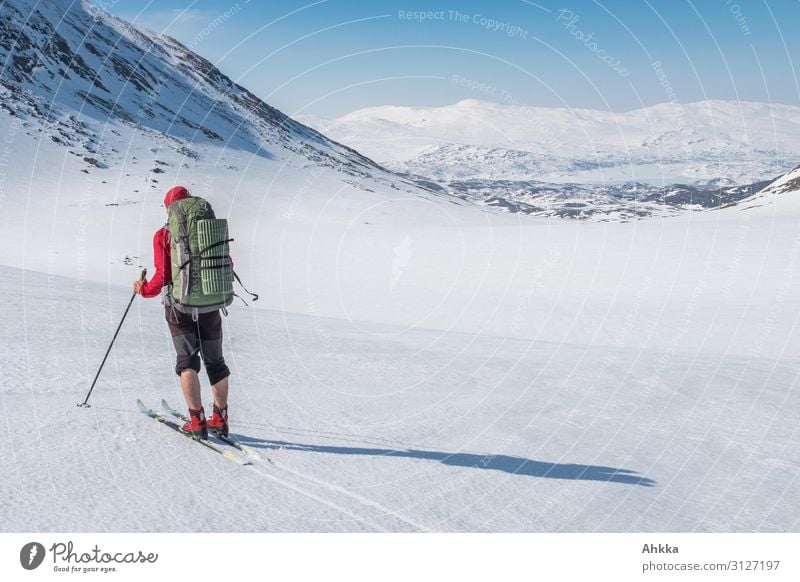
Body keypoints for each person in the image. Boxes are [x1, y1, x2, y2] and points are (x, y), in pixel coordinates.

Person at [132, 186, 230, 440]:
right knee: (216, 363)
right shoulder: (208, 232)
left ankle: (197, 422)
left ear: (170, 209)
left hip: (179, 308)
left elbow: (164, 275)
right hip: (211, 302)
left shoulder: (164, 235)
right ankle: (220, 418)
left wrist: (143, 290)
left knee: (187, 362)